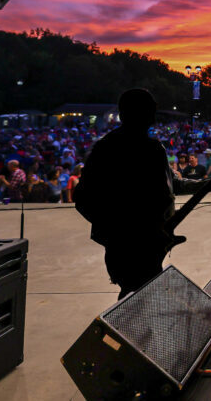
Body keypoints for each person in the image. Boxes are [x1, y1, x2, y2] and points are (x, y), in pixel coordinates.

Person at [74, 89, 175, 299]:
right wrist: (117, 231)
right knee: (139, 300)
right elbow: (82, 197)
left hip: (148, 241)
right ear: (136, 113)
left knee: (138, 299)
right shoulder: (117, 149)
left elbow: (168, 186)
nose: (154, 117)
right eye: (150, 111)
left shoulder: (110, 147)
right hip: (133, 244)